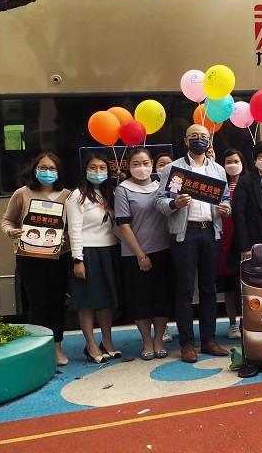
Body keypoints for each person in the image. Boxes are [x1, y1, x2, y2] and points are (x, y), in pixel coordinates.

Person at [153, 123, 233, 363]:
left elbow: (226, 199)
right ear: (186, 141)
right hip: (185, 234)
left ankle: (209, 340)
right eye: (194, 136)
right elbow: (158, 201)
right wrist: (174, 204)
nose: (200, 140)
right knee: (185, 291)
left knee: (209, 289)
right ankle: (187, 343)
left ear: (209, 141)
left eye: (203, 136)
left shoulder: (218, 170)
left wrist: (226, 208)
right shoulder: (174, 169)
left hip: (211, 233)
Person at [1, 152, 70, 365]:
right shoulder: (22, 193)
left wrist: (65, 237)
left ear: (59, 172)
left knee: (57, 303)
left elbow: (75, 226)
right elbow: (7, 221)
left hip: (59, 257)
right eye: (43, 168)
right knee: (38, 303)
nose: (47, 172)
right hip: (29, 257)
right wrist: (11, 232)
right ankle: (39, 351)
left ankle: (57, 348)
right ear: (34, 170)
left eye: (52, 168)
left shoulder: (67, 195)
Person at [114, 148, 175, 360]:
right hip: (135, 255)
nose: (142, 168)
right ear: (128, 166)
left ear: (152, 164)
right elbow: (124, 225)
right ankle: (147, 341)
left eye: (146, 163)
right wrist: (141, 255)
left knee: (162, 298)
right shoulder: (123, 189)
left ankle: (158, 340)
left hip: (164, 250)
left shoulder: (162, 185)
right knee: (140, 300)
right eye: (136, 164)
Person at [66, 152, 121, 364]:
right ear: (85, 170)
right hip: (87, 252)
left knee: (106, 301)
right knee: (87, 302)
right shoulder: (77, 195)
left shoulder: (109, 193)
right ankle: (90, 345)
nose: (98, 172)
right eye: (93, 168)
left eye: (102, 168)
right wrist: (78, 260)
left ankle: (107, 342)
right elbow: (74, 230)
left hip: (109, 250)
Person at [218, 148, 245, 339]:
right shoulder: (219, 186)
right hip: (224, 240)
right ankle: (232, 323)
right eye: (228, 162)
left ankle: (247, 320)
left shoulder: (249, 184)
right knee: (228, 285)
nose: (232, 165)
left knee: (246, 284)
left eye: (236, 161)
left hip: (244, 241)